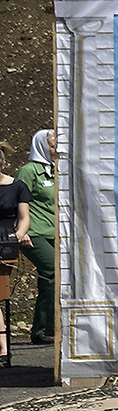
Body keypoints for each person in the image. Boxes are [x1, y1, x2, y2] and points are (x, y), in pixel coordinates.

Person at [14, 130, 56, 344]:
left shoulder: (56, 171)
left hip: (55, 232)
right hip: (35, 233)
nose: (55, 150)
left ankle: (42, 330)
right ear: (41, 146)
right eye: (52, 145)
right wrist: (23, 231)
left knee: (51, 279)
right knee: (52, 271)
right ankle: (48, 327)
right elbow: (17, 200)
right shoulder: (28, 171)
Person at [0, 141, 33, 354]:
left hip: (4, 241)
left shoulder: (17, 186)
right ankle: (2, 344)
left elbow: (24, 218)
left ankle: (2, 343)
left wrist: (19, 235)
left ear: (2, 164)